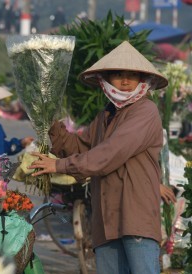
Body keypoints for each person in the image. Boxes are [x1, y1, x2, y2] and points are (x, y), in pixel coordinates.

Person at [28, 41, 170, 274]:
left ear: (143, 79)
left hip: (135, 219)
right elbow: (81, 148)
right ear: (106, 78)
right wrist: (50, 120)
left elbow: (109, 154)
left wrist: (59, 165)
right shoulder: (107, 114)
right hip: (106, 220)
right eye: (117, 74)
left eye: (132, 75)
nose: (125, 81)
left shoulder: (145, 111)